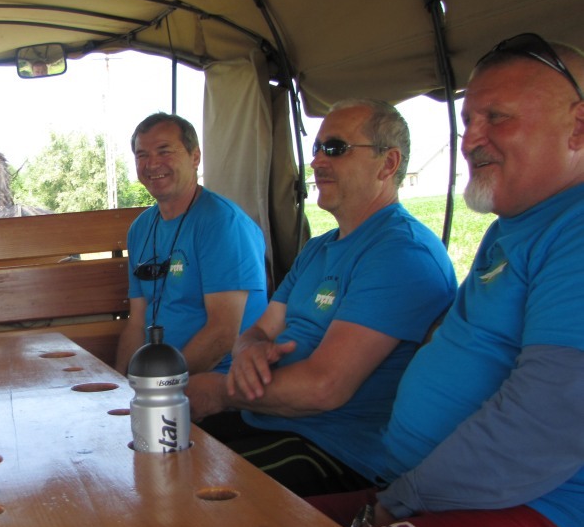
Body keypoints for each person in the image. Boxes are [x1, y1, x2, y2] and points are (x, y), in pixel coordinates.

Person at [316, 34, 584, 527]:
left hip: (542, 512)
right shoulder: (511, 229)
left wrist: (406, 499)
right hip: (429, 484)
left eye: (497, 118)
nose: (471, 139)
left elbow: (548, 418)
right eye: (468, 120)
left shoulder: (575, 229)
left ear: (578, 126)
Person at [187, 100, 457, 496]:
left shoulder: (401, 253)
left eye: (335, 148)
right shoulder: (318, 249)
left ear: (387, 164)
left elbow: (324, 388)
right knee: (151, 456)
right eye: (316, 148)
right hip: (268, 418)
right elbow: (259, 330)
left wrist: (222, 390)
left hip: (336, 449)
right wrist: (248, 351)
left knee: (185, 490)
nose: (315, 161)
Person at [114, 113, 267, 375]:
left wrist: (160, 386)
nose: (152, 164)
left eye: (164, 151)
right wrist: (118, 385)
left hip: (219, 378)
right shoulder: (140, 229)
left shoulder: (222, 223)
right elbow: (137, 322)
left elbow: (222, 334)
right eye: (142, 155)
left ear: (195, 157)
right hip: (156, 375)